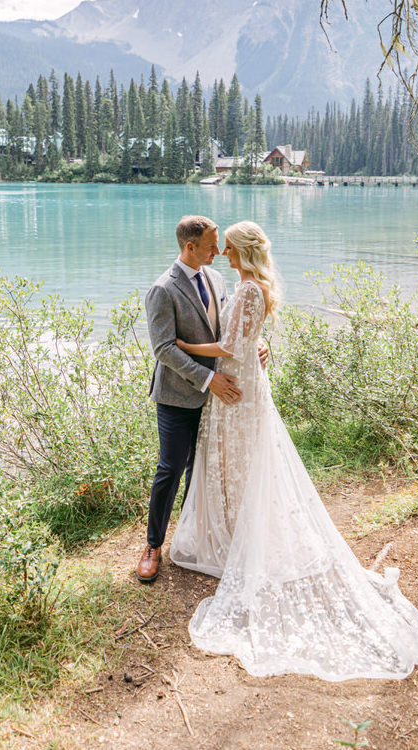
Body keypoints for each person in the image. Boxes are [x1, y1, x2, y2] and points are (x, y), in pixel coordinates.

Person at [168, 221, 418, 681]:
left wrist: (184, 344)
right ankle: (237, 534)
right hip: (240, 383)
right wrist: (253, 347)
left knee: (245, 465)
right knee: (236, 465)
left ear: (242, 250)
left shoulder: (250, 288)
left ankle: (247, 540)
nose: (223, 253)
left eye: (228, 248)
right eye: (220, 247)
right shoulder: (245, 285)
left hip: (239, 389)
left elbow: (232, 343)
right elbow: (247, 338)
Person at [136, 215, 237, 582]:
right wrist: (208, 379)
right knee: (172, 468)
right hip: (178, 396)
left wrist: (254, 345)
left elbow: (229, 328)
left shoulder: (218, 279)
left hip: (215, 394)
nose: (218, 251)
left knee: (203, 467)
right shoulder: (162, 289)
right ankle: (153, 545)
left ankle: (192, 535)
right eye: (212, 245)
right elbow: (163, 349)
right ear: (189, 246)